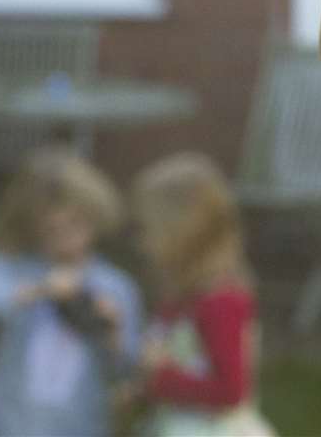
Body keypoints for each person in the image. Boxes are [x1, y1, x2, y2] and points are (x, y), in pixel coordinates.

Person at [0, 145, 142, 437]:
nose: (67, 239)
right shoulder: (17, 268)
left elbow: (128, 369)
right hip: (8, 423)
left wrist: (111, 330)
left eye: (76, 224)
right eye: (53, 230)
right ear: (34, 227)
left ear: (95, 217)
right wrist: (37, 291)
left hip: (80, 425)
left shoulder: (115, 286)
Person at [127, 152, 274, 437]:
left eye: (146, 230)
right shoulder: (180, 299)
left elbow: (231, 391)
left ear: (183, 234)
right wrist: (144, 388)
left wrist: (159, 379)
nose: (140, 242)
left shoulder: (221, 302)